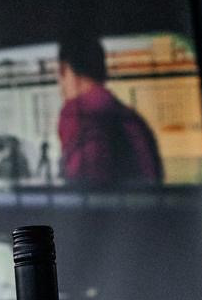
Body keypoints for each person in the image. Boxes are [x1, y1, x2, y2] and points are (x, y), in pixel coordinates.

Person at [57, 35, 163, 187]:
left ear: (63, 69)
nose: (59, 88)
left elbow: (84, 194)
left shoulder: (79, 116)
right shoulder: (131, 118)